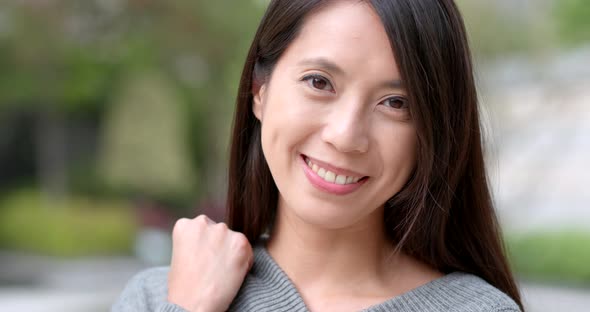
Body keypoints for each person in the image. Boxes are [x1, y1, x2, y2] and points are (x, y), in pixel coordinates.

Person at [112, 0, 524, 311]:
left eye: (396, 103)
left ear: (432, 131)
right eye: (319, 81)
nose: (346, 136)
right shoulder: (157, 297)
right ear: (260, 91)